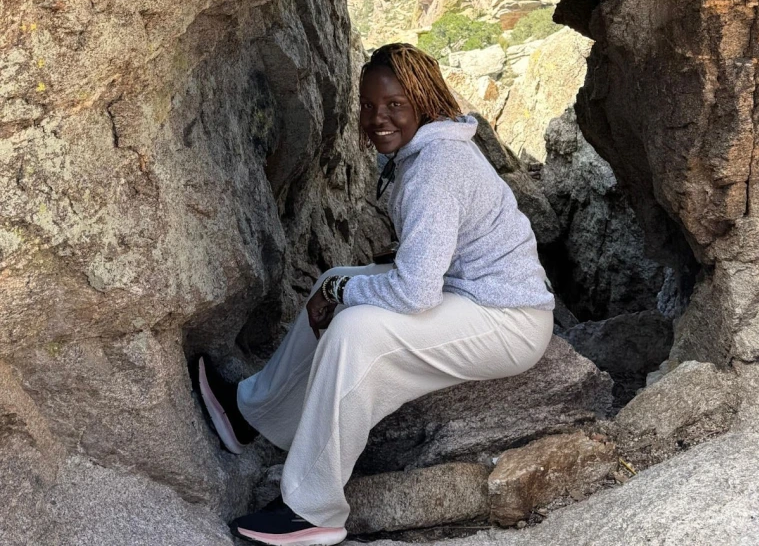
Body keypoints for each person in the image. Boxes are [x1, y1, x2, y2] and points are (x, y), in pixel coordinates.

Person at [198, 43, 555, 545]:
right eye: (368, 106)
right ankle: (251, 414)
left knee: (356, 331)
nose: (377, 119)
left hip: (509, 318)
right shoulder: (427, 150)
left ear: (424, 102)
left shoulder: (436, 168)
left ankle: (313, 511)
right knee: (332, 283)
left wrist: (347, 294)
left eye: (394, 106)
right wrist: (341, 286)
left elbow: (414, 293)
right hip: (472, 295)